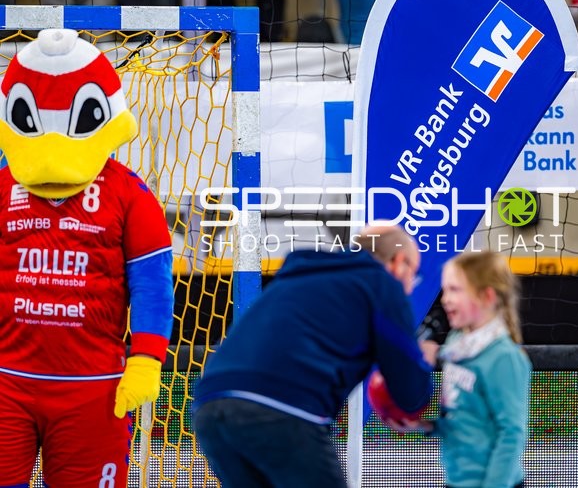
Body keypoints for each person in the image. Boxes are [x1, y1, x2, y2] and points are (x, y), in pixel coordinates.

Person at [0, 29, 174, 485]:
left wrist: (146, 358)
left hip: (94, 390)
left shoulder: (131, 194)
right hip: (6, 384)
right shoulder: (1, 187)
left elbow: (152, 283)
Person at [193, 225, 433, 486]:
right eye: (415, 273)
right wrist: (424, 369)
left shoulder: (299, 276)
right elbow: (409, 390)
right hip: (281, 405)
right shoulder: (382, 283)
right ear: (399, 263)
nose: (411, 285)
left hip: (210, 406)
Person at [397, 252, 531, 488]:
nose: (445, 299)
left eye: (455, 290)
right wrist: (426, 425)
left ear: (486, 296)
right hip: (457, 480)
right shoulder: (456, 344)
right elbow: (461, 419)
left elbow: (512, 435)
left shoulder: (504, 358)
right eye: (445, 290)